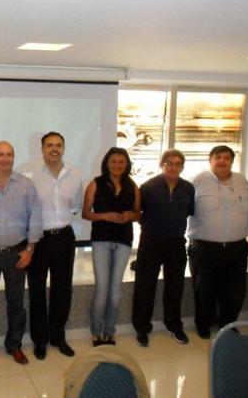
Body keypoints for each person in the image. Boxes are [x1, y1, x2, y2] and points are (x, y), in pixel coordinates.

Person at [0, 141, 42, 368]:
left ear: (14, 157)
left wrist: (30, 249)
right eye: (0, 154)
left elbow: (35, 217)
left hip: (17, 253)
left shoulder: (26, 184)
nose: (5, 158)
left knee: (16, 303)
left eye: (9, 154)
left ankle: (14, 345)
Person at [27, 132, 83, 360]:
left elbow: (75, 207)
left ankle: (58, 337)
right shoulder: (30, 175)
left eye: (58, 145)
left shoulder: (75, 175)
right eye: (49, 145)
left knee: (63, 289)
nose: (54, 149)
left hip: (64, 237)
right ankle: (40, 340)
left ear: (63, 148)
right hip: (38, 239)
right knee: (37, 290)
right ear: (42, 149)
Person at [131, 149, 194, 347]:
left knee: (175, 287)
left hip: (176, 243)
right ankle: (142, 328)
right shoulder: (148, 187)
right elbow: (137, 213)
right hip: (150, 242)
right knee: (145, 286)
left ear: (182, 167)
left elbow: (188, 212)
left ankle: (174, 326)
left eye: (178, 164)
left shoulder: (188, 188)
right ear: (162, 165)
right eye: (169, 163)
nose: (173, 167)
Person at [187, 145, 248, 339]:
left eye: (226, 158)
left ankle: (228, 325)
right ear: (210, 160)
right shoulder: (196, 180)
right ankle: (203, 325)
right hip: (205, 247)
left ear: (232, 161)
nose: (222, 161)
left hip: (237, 247)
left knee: (235, 291)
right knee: (204, 290)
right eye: (218, 157)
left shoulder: (242, 181)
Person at [82, 147, 140, 347]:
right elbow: (85, 213)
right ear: (107, 163)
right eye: (113, 161)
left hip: (124, 241)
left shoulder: (133, 185)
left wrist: (129, 216)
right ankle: (96, 332)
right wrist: (105, 216)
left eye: (121, 162)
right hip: (101, 240)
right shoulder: (95, 183)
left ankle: (110, 332)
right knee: (102, 289)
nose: (117, 165)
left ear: (127, 164)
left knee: (115, 291)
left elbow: (138, 214)